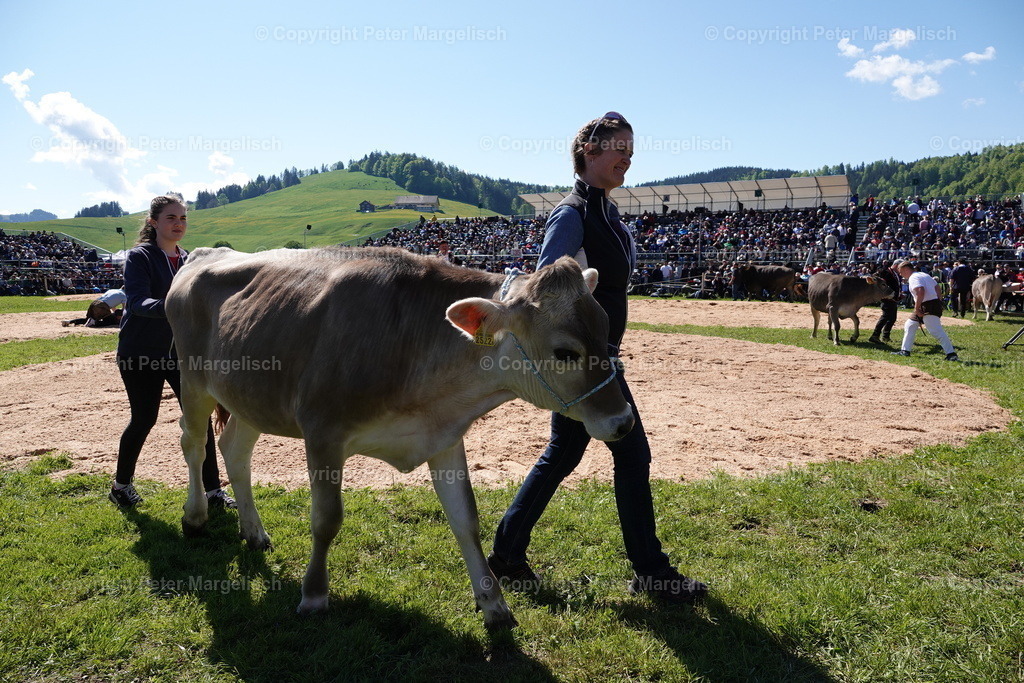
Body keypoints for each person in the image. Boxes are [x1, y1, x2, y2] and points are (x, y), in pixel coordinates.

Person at [488, 113, 707, 604]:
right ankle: (652, 572)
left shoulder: (607, 215)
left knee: (561, 455)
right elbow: (546, 288)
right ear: (589, 151)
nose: (627, 158)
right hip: (588, 364)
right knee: (632, 453)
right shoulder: (571, 215)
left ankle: (506, 553)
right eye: (618, 149)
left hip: (600, 359)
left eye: (631, 150)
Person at [110, 194, 235, 509]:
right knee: (144, 419)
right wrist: (178, 307)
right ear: (153, 222)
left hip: (182, 355)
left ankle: (213, 492)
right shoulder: (139, 256)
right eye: (171, 218)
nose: (178, 224)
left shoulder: (190, 259)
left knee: (199, 420)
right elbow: (137, 302)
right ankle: (121, 486)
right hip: (140, 352)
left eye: (182, 218)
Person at [891, 260, 959, 361]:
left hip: (927, 306)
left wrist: (917, 308)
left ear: (906, 269)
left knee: (936, 331)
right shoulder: (923, 274)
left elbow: (920, 291)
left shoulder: (913, 278)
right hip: (929, 304)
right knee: (910, 325)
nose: (900, 275)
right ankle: (905, 351)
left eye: (901, 272)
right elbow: (937, 287)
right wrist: (939, 300)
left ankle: (951, 354)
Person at [867, 260, 901, 344]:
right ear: (896, 265)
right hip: (887, 298)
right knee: (885, 317)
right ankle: (875, 336)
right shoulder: (885, 272)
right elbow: (879, 283)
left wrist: (898, 294)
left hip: (893, 299)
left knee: (892, 319)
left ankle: (885, 336)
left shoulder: (894, 273)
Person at [61, 288, 126, 327]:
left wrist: (115, 313)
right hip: (102, 306)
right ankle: (94, 323)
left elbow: (112, 304)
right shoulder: (124, 295)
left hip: (94, 303)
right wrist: (118, 315)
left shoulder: (112, 290)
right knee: (109, 322)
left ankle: (69, 322)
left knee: (88, 319)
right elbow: (125, 310)